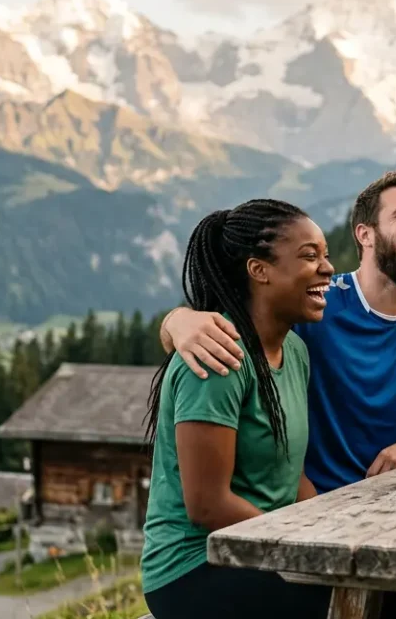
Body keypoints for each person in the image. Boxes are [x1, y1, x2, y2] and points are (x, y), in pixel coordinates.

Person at [157, 170, 396, 494]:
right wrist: (176, 320)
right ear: (365, 234)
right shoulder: (313, 303)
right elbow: (235, 322)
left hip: (390, 498)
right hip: (308, 499)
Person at [139, 199, 334, 619]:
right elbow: (207, 505)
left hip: (264, 548)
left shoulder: (295, 351)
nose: (327, 268)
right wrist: (297, 547)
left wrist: (327, 533)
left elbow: (291, 476)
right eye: (309, 256)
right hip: (195, 567)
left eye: (325, 255)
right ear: (259, 270)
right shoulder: (218, 358)